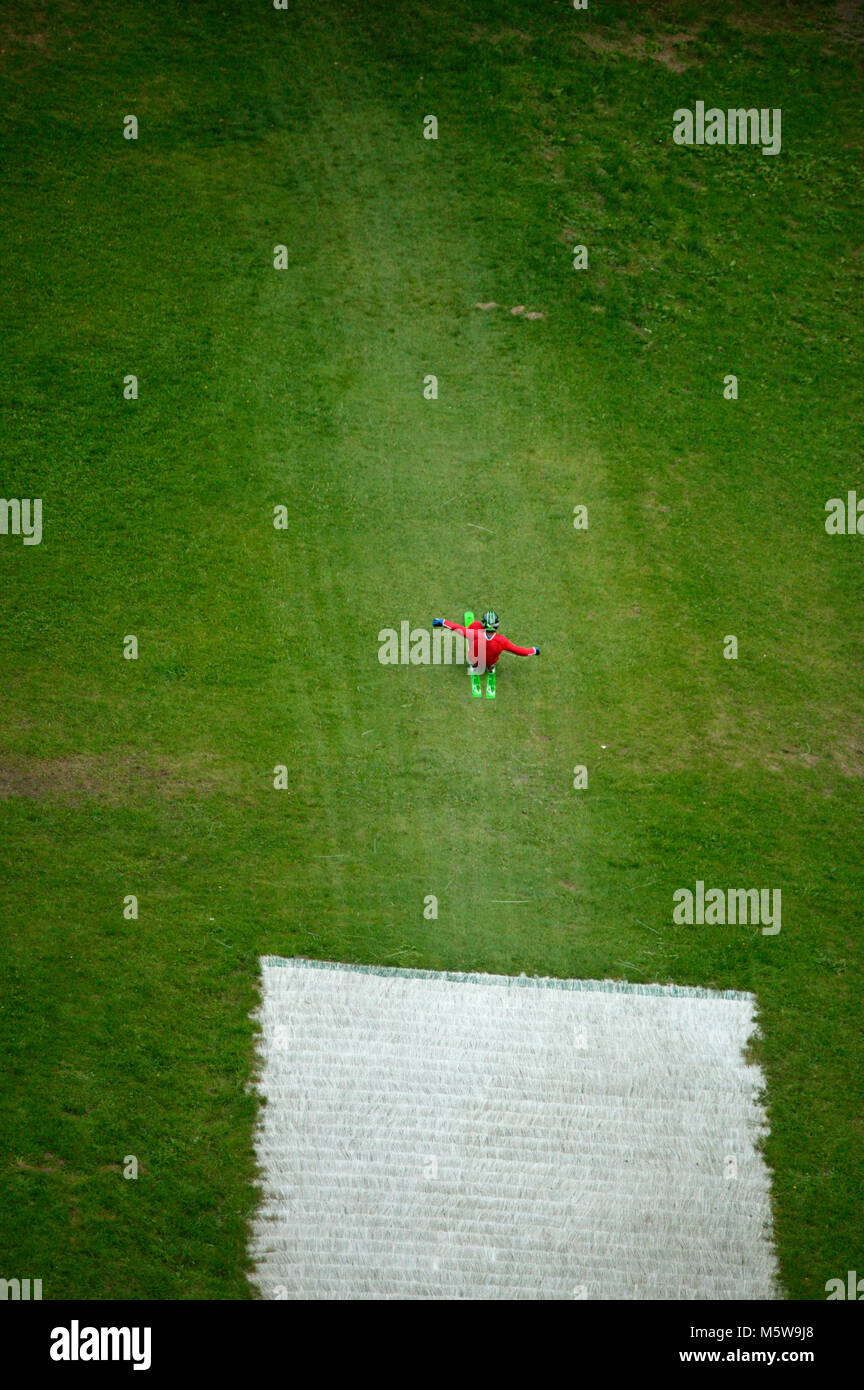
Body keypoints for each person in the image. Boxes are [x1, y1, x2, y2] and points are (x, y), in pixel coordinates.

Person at [432, 610, 540, 674]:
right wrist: (534, 650)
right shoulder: (502, 641)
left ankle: (474, 667)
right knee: (492, 656)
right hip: (491, 662)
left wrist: (443, 622)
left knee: (475, 626)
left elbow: (458, 628)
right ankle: (491, 668)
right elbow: (520, 651)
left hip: (476, 660)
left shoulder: (474, 634)